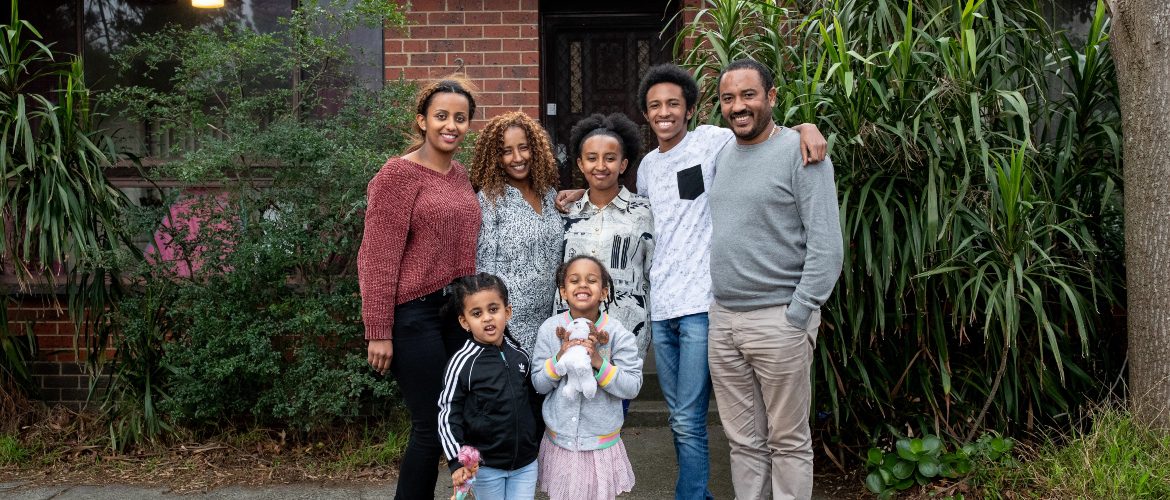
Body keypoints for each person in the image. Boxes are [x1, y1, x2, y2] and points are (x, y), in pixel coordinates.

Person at [558, 63, 828, 499]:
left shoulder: (713, 142)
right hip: (661, 308)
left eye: (673, 105)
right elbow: (636, 217)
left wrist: (805, 128)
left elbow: (758, 131)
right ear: (645, 115)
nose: (664, 113)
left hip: (704, 305)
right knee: (685, 417)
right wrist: (575, 194)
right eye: (654, 106)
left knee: (687, 417)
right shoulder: (645, 167)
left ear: (690, 111)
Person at [707, 58, 843, 500]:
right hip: (724, 321)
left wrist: (799, 313)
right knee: (743, 441)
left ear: (771, 97)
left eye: (748, 95)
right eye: (729, 98)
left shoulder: (803, 154)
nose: (738, 106)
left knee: (787, 442)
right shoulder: (723, 154)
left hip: (779, 321)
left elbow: (827, 247)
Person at [357, 76, 481, 500]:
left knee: (456, 420)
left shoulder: (460, 175)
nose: (451, 125)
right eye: (442, 116)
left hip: (455, 315)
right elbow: (376, 257)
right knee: (429, 427)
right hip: (413, 315)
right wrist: (378, 329)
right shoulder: (397, 175)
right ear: (422, 120)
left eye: (460, 118)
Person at [531, 256, 643, 500]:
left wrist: (599, 364)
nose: (582, 285)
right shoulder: (550, 330)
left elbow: (633, 385)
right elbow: (538, 383)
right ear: (563, 291)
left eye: (591, 280)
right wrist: (560, 357)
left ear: (604, 292)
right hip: (559, 441)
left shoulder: (617, 333)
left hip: (599, 447)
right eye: (574, 280)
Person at [559, 113, 654, 361]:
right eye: (592, 158)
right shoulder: (565, 214)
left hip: (626, 331)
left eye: (610, 158)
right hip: (573, 333)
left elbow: (652, 271)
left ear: (623, 164)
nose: (600, 166)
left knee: (619, 395)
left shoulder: (644, 212)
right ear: (580, 164)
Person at [439, 273, 542, 500]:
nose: (487, 318)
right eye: (477, 313)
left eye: (493, 309)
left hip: (525, 463)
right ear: (464, 321)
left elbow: (534, 403)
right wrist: (457, 462)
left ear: (507, 312)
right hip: (485, 466)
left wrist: (535, 442)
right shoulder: (462, 363)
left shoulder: (520, 356)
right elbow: (448, 414)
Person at [470, 112, 564, 353]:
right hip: (510, 323)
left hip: (551, 320)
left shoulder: (549, 194)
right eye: (506, 151)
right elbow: (483, 271)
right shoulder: (490, 201)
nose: (518, 158)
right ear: (495, 157)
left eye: (523, 148)